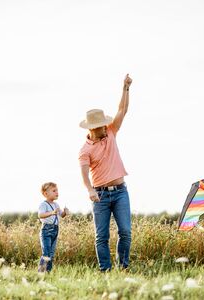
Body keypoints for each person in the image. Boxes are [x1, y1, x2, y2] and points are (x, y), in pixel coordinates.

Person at [78, 74, 133, 272]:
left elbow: (122, 110)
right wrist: (90, 190)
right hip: (100, 195)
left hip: (120, 192)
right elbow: (84, 174)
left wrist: (125, 88)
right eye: (101, 125)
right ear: (93, 128)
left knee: (125, 232)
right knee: (102, 236)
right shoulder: (85, 150)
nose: (105, 126)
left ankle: (123, 267)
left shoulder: (110, 132)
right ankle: (105, 271)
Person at [37, 182, 69, 273]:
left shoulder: (56, 205)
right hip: (46, 230)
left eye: (57, 190)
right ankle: (41, 272)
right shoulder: (44, 204)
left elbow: (61, 215)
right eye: (54, 191)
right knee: (46, 253)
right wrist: (51, 213)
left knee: (51, 253)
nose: (56, 192)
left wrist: (65, 212)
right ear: (46, 194)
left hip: (55, 230)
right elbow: (40, 215)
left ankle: (48, 272)